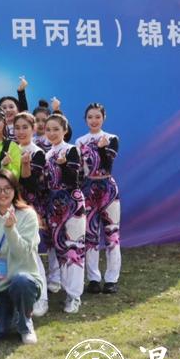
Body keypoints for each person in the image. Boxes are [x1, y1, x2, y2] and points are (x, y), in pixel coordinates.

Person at [0, 170, 43, 344]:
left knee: (21, 281)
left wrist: (11, 230)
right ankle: (12, 315)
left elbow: (22, 254)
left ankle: (25, 323)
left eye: (7, 188)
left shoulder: (27, 215)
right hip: (2, 289)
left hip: (24, 283)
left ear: (14, 189)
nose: (2, 193)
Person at [76, 103, 121, 294]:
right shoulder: (80, 142)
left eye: (97, 117)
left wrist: (102, 149)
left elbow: (107, 165)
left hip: (108, 190)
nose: (93, 120)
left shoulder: (112, 138)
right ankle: (93, 278)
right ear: (85, 119)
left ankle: (111, 279)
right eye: (90, 117)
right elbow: (79, 171)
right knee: (90, 236)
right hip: (88, 191)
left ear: (104, 118)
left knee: (112, 234)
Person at [43, 113, 86, 314]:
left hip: (72, 203)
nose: (52, 133)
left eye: (56, 129)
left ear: (65, 131)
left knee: (74, 249)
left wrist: (63, 165)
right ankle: (65, 287)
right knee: (60, 248)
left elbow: (74, 181)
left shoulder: (71, 150)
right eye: (48, 129)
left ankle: (74, 295)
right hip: (53, 206)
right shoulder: (46, 154)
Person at [13, 112, 50, 317]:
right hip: (11, 207)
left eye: (25, 127)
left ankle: (41, 298)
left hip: (30, 208)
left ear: (33, 129)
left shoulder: (38, 153)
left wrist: (25, 165)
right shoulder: (11, 149)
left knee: (32, 253)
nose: (21, 131)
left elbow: (32, 185)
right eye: (17, 127)